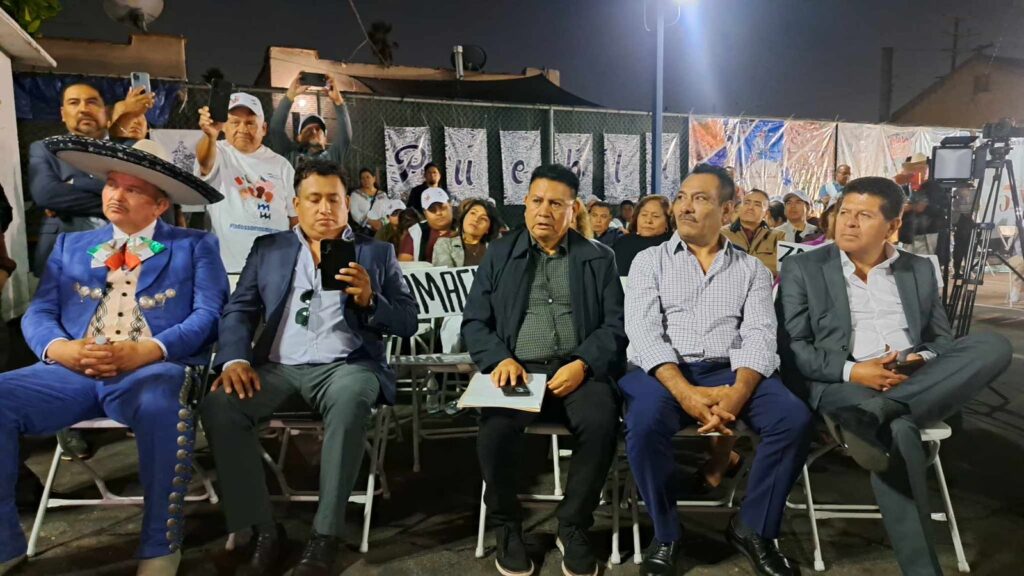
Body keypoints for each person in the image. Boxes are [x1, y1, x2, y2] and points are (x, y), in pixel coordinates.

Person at [0, 135, 228, 576]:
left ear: (160, 204)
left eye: (132, 189)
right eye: (111, 184)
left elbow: (209, 315)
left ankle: (159, 545)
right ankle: (4, 545)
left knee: (161, 402)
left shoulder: (195, 245)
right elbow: (40, 311)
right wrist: (60, 348)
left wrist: (149, 350)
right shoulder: (70, 246)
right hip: (73, 369)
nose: (115, 196)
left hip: (153, 367)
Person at [777, 176, 1011, 576]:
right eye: (844, 213)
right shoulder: (804, 267)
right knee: (900, 430)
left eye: (864, 215)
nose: (849, 223)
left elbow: (942, 339)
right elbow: (793, 348)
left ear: (893, 225)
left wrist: (921, 359)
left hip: (913, 378)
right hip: (845, 384)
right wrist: (855, 370)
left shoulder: (918, 269)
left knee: (993, 345)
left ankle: (881, 412)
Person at [200, 158, 417, 576]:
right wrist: (235, 358)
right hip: (277, 368)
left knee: (351, 400)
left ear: (347, 204)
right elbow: (240, 309)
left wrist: (371, 300)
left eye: (334, 199)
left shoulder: (377, 252)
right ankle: (263, 529)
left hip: (347, 366)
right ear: (295, 204)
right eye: (314, 199)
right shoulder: (270, 249)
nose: (324, 209)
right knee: (220, 405)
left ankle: (325, 536)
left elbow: (408, 321)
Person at [621, 164, 809, 576]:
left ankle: (753, 528)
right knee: (644, 422)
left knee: (792, 418)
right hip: (664, 372)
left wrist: (737, 394)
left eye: (700, 199)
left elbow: (760, 335)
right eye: (681, 197)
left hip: (733, 372)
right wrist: (686, 393)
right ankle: (666, 533)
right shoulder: (649, 262)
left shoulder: (752, 270)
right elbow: (644, 332)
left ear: (726, 211)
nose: (685, 207)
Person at [462, 164, 626, 576]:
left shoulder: (598, 258)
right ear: (525, 203)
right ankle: (507, 527)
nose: (544, 211)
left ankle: (573, 525)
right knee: (495, 430)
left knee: (602, 423)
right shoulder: (500, 253)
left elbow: (614, 326)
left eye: (556, 204)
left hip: (578, 370)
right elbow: (475, 322)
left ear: (573, 210)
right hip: (517, 370)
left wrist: (584, 363)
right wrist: (499, 359)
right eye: (537, 201)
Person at [195, 92, 298, 273]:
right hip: (229, 269)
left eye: (250, 123)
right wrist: (210, 136)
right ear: (224, 126)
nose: (242, 129)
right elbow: (205, 164)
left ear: (263, 128)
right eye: (235, 122)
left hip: (275, 268)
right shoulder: (218, 151)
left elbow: (295, 218)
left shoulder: (282, 165)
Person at [28, 83, 110, 277]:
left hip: (120, 254)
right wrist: (118, 202)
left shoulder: (127, 151)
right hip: (60, 256)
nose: (83, 109)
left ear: (105, 111)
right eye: (74, 103)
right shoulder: (45, 149)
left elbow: (141, 198)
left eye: (92, 102)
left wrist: (76, 184)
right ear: (63, 114)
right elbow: (46, 194)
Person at [268, 73, 352, 168]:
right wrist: (290, 95)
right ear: (299, 137)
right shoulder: (290, 155)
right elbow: (276, 129)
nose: (314, 131)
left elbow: (345, 137)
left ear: (325, 139)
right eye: (308, 129)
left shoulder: (331, 157)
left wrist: (338, 101)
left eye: (318, 129)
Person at [721, 188, 785, 276]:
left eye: (757, 205)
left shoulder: (779, 236)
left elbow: (783, 268)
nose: (750, 207)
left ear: (766, 213)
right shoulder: (721, 234)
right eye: (746, 203)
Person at [896, 154, 947, 259]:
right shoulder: (902, 188)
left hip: (928, 234)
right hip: (908, 235)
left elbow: (940, 209)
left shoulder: (933, 187)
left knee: (926, 262)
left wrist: (919, 207)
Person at [613, 195, 673, 276]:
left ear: (668, 221)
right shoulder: (623, 242)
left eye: (655, 216)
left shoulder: (674, 245)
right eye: (644, 215)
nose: (648, 220)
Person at [432, 198, 501, 268]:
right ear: (464, 217)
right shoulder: (445, 244)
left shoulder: (495, 249)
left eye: (483, 218)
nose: (476, 219)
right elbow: (445, 273)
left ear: (488, 229)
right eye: (473, 213)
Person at [398, 187, 454, 263]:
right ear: (425, 213)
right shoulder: (416, 233)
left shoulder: (463, 226)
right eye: (432, 210)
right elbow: (405, 265)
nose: (438, 213)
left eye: (442, 207)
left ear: (450, 205)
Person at [349, 168, 390, 234]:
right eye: (363, 178)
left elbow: (388, 211)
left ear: (374, 178)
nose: (365, 180)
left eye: (368, 177)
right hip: (365, 231)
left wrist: (381, 223)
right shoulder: (355, 195)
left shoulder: (383, 195)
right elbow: (355, 213)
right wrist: (371, 222)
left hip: (383, 229)